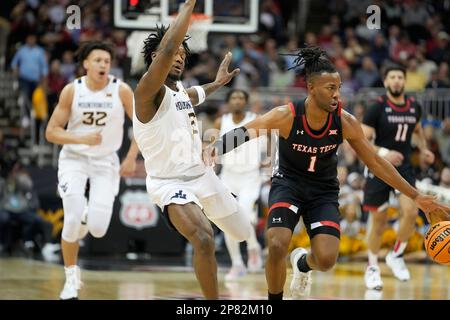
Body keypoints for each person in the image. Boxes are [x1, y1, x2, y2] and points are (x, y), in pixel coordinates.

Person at [211, 46, 450, 300]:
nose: (337, 95)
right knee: (277, 244)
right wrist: (212, 150)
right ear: (311, 88)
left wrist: (415, 196)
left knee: (325, 259)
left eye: (338, 88)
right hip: (288, 184)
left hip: (323, 191)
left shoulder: (345, 122)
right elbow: (247, 131)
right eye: (330, 88)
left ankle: (302, 265)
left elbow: (377, 164)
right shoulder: (286, 115)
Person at [132, 0, 253, 299]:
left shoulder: (180, 91)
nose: (179, 58)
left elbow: (196, 95)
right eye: (173, 54)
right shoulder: (147, 90)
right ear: (155, 58)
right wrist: (188, 5)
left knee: (243, 233)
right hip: (169, 183)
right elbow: (170, 45)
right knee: (203, 238)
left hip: (203, 175)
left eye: (183, 55)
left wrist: (218, 83)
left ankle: (212, 206)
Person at [45, 41, 139, 300]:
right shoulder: (71, 91)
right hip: (74, 159)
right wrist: (81, 139)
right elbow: (51, 132)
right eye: (98, 60)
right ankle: (71, 281)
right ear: (86, 63)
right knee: (72, 220)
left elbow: (141, 126)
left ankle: (86, 216)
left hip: (105, 160)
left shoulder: (121, 90)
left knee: (97, 229)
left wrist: (131, 158)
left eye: (107, 61)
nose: (103, 65)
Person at [361, 65, 435, 290]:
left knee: (412, 211)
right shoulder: (376, 108)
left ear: (404, 81)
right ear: (386, 82)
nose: (396, 81)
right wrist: (384, 153)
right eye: (392, 77)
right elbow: (362, 141)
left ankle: (396, 254)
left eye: (400, 77)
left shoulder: (414, 107)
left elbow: (418, 131)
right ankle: (373, 267)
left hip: (403, 168)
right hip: (378, 166)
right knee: (379, 221)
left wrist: (423, 150)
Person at [214, 89, 264, 280]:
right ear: (228, 102)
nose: (237, 100)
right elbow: (216, 150)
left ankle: (252, 247)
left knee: (242, 215)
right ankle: (237, 264)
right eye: (234, 97)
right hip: (228, 176)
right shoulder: (221, 122)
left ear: (246, 101)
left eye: (241, 97)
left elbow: (268, 146)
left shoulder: (255, 119)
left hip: (250, 177)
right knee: (227, 220)